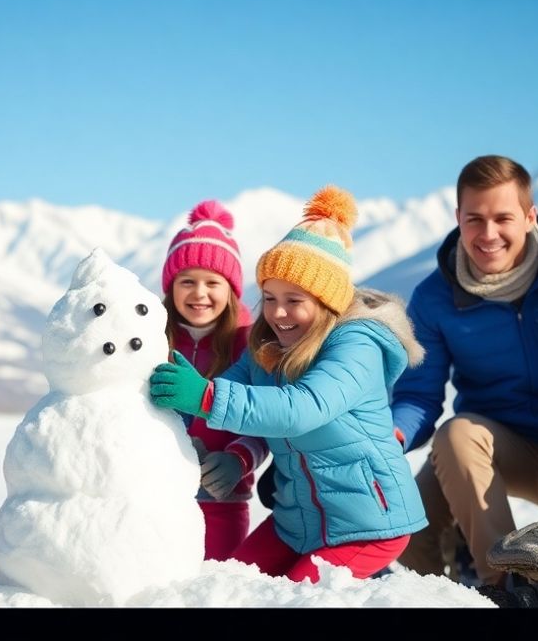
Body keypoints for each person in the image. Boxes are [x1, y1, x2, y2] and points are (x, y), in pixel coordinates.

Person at [149, 186, 426, 582]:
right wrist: (179, 425)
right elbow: (228, 389)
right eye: (269, 297)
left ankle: (379, 586)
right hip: (298, 522)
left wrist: (205, 397)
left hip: (367, 523)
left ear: (326, 299)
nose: (278, 313)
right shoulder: (267, 345)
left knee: (293, 602)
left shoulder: (356, 345)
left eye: (294, 299)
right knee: (231, 587)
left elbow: (300, 409)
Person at [390, 155, 538, 589]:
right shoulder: (434, 297)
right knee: (408, 528)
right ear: (457, 218)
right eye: (475, 219)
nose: (488, 234)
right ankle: (499, 589)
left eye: (502, 218)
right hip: (485, 447)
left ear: (530, 217)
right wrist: (393, 434)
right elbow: (418, 392)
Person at [160, 200, 270, 560]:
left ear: (231, 288)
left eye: (212, 282)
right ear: (170, 286)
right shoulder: (150, 338)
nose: (199, 293)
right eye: (187, 281)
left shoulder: (249, 344)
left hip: (222, 499)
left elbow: (262, 421)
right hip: (157, 497)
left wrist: (238, 460)